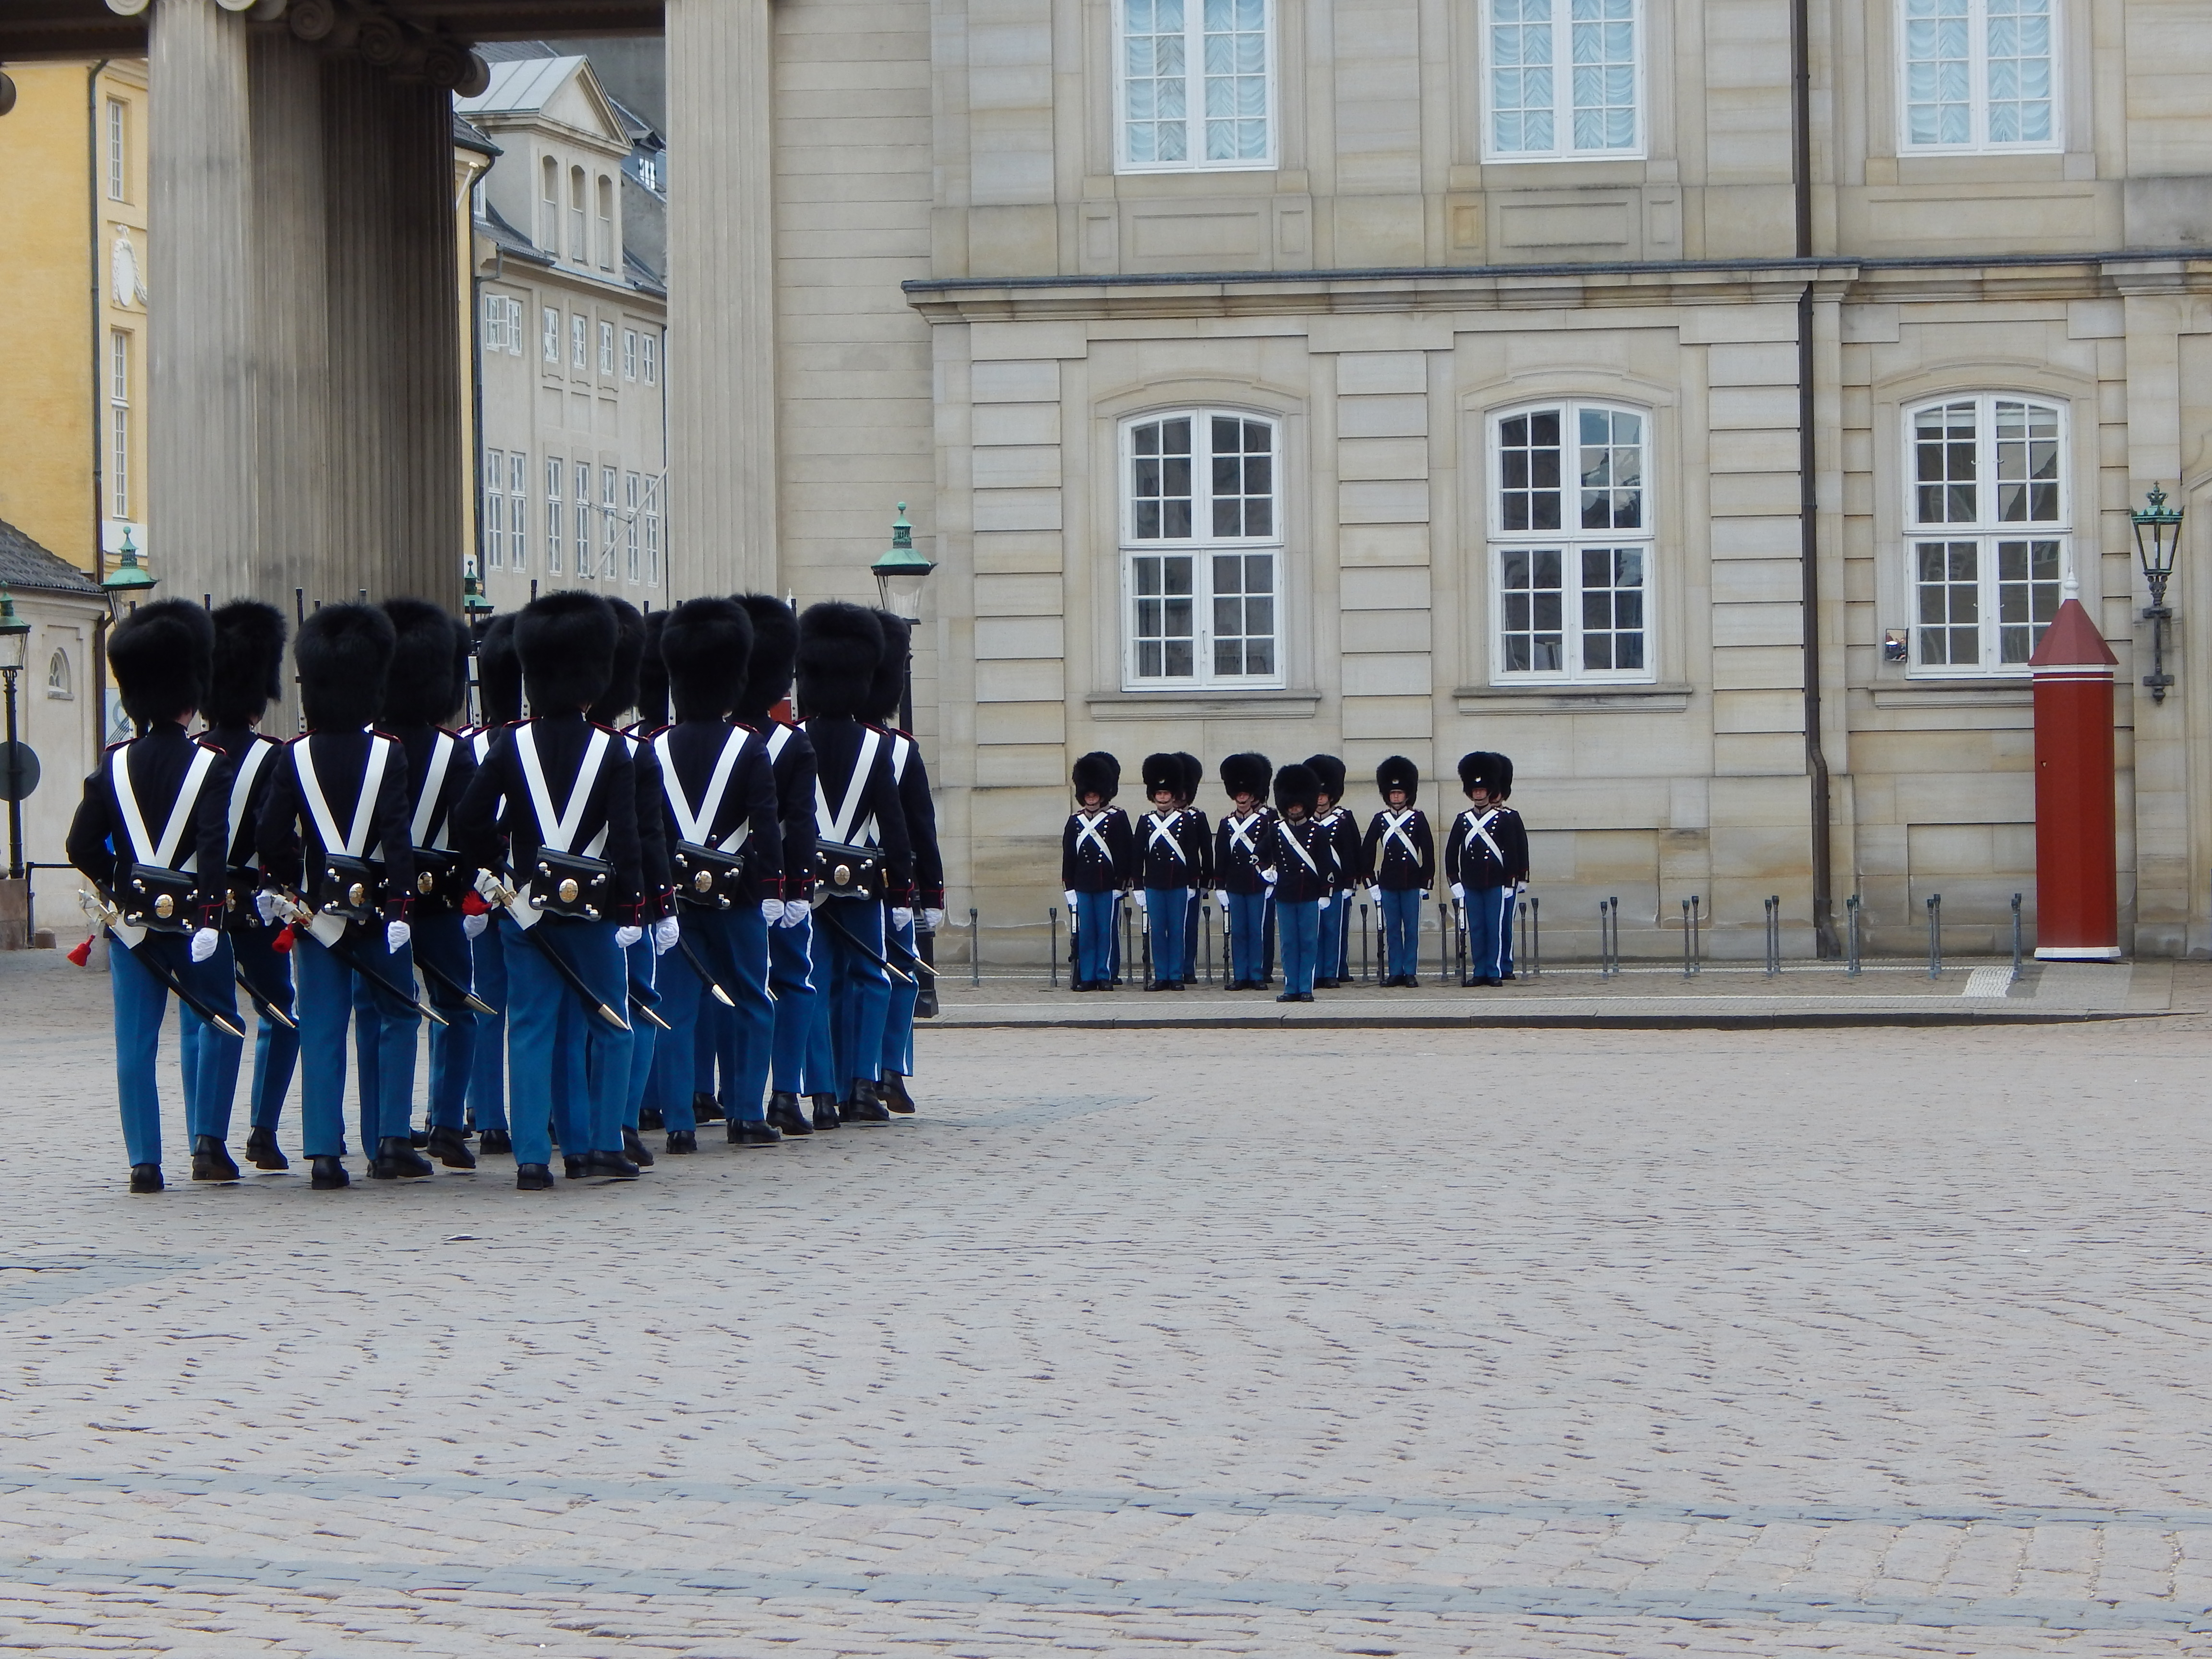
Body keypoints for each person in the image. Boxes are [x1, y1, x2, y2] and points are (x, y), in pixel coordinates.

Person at [452, 590, 646, 1189]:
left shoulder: (510, 745)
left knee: (532, 1029)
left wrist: (492, 873)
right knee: (610, 1025)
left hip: (526, 906)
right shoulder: (614, 750)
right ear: (594, 682)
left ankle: (533, 1157)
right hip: (594, 910)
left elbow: (468, 821)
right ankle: (600, 1144)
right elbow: (629, 837)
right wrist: (635, 906)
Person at [67, 598, 240, 1193]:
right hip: (198, 922)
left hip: (134, 925)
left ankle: (144, 1161)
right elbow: (213, 849)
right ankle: (208, 1145)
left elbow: (80, 844)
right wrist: (213, 912)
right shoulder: (210, 766)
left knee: (135, 1044)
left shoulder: (111, 768)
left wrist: (122, 885)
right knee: (220, 1021)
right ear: (192, 698)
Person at [255, 603, 424, 1190]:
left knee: (323, 1024)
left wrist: (287, 883)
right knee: (397, 1016)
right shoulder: (388, 752)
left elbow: (270, 833)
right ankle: (389, 1139)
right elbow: (398, 838)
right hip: (381, 910)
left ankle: (325, 1152)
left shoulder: (293, 755)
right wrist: (402, 904)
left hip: (316, 910)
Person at [653, 597, 781, 1151]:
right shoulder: (749, 746)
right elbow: (767, 825)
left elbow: (647, 826)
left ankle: (680, 1120)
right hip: (742, 891)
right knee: (753, 999)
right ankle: (746, 1113)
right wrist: (777, 887)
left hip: (674, 895)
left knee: (677, 1007)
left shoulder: (653, 747)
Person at [361, 599, 480, 1174]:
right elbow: (474, 829)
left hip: (371, 904)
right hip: (438, 903)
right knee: (456, 1007)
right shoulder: (452, 753)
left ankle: (383, 1131)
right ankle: (449, 1124)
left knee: (382, 1012)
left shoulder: (366, 747)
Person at [797, 601, 913, 1123]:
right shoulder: (877, 746)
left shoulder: (789, 741)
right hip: (864, 880)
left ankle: (821, 1092)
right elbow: (895, 826)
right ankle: (861, 1085)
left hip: (806, 880)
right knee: (871, 977)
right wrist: (907, 892)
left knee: (816, 980)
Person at [196, 599, 297, 1172]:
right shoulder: (274, 757)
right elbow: (278, 838)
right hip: (257, 904)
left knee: (213, 1016)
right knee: (280, 1011)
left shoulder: (191, 754)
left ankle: (208, 1138)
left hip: (198, 904)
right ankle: (263, 1130)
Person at [734, 594, 830, 1136]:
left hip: (718, 887)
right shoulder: (791, 744)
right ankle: (784, 1095)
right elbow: (800, 822)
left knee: (721, 992)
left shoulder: (678, 742)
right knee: (793, 984)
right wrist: (795, 889)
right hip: (778, 884)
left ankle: (713, 1093)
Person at [592, 597, 673, 1172]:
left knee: (552, 1024)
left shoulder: (511, 745)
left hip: (538, 904)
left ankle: (563, 1127)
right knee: (637, 1006)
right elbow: (645, 838)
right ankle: (618, 1125)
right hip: (622, 904)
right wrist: (657, 906)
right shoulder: (631, 752)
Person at [868, 611, 941, 1114]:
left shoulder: (801, 739)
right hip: (889, 884)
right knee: (896, 977)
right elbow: (921, 827)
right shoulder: (897, 749)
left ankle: (847, 1077)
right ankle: (888, 1070)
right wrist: (932, 891)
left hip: (828, 884)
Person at [461, 613, 519, 1155]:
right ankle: (527, 1112)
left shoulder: (467, 745)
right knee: (529, 1005)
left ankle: (488, 1113)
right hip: (527, 889)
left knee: (487, 1001)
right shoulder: (533, 742)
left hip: (480, 888)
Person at [1444, 750, 1529, 988]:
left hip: (1496, 883)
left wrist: (1513, 881)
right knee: (1478, 929)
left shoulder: (1503, 818)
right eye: (1476, 791)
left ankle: (1494, 970)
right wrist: (1455, 881)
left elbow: (1513, 851)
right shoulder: (1463, 819)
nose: (1479, 794)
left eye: (1483, 790)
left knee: (1495, 929)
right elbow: (1452, 852)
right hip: (1472, 882)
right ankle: (1479, 970)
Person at [1061, 751, 1130, 993]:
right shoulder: (1075, 821)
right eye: (1088, 795)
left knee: (1105, 932)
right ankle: (1088, 975)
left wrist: (1120, 884)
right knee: (1087, 933)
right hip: (1083, 885)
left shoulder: (1117, 818)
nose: (1091, 799)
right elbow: (1069, 857)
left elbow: (1124, 852)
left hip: (1107, 885)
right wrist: (1069, 887)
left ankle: (1105, 974)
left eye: (1095, 794)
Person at [1361, 755, 1434, 987]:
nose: (1396, 796)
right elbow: (1368, 850)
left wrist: (1426, 881)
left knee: (1411, 930)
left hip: (1412, 882)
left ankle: (1410, 971)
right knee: (1392, 930)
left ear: (1407, 795)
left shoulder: (1418, 819)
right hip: (1389, 883)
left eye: (1400, 793)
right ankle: (1395, 971)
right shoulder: (1380, 820)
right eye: (1392, 793)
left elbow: (1428, 851)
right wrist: (1371, 882)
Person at [1267, 762, 1336, 1003]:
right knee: (1288, 944)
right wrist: (1267, 873)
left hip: (1309, 895)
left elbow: (1326, 865)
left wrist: (1326, 892)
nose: (1295, 809)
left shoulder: (1317, 832)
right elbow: (1258, 856)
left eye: (1298, 805)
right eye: (1291, 805)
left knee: (1308, 942)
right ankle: (1291, 987)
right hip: (1285, 895)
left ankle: (1306, 987)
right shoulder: (1277, 831)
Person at [1134, 753, 1204, 991]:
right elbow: (1139, 855)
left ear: (1173, 795)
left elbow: (1193, 853)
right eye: (1159, 794)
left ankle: (1176, 974)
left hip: (1178, 884)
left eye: (1166, 794)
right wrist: (1137, 885)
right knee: (1158, 932)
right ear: (1153, 796)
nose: (1163, 797)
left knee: (1177, 931)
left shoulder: (1185, 821)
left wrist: (1193, 883)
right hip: (1154, 883)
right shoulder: (1146, 821)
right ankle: (1161, 974)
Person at [1213, 753, 1273, 991]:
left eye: (1245, 795)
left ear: (1252, 796)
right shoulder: (1227, 823)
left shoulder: (1267, 821)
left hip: (1258, 884)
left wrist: (1270, 880)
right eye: (1239, 795)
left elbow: (1272, 852)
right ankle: (1241, 974)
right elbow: (1222, 857)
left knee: (1256, 931)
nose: (1242, 798)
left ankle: (1256, 974)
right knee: (1238, 932)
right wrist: (1220, 886)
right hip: (1236, 885)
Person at [1306, 754, 1361, 987]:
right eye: (1317, 796)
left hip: (1337, 883)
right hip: (1311, 885)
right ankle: (1316, 972)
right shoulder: (1305, 822)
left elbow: (1352, 851)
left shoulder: (1343, 818)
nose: (1320, 800)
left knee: (1333, 930)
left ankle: (1331, 972)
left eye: (1324, 796)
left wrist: (1350, 882)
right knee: (1313, 932)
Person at [1173, 752, 1210, 985]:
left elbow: (1207, 851)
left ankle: (1188, 967)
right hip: (1167, 881)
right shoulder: (1156, 819)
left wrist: (1206, 881)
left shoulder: (1197, 817)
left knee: (1189, 927)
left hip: (1191, 880)